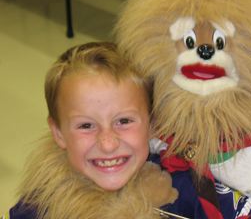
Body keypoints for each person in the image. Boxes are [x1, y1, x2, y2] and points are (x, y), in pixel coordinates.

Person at [2, 42, 178, 219]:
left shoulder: (184, 191)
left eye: (124, 121)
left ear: (152, 125)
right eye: (86, 126)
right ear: (58, 133)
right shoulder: (37, 211)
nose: (108, 144)